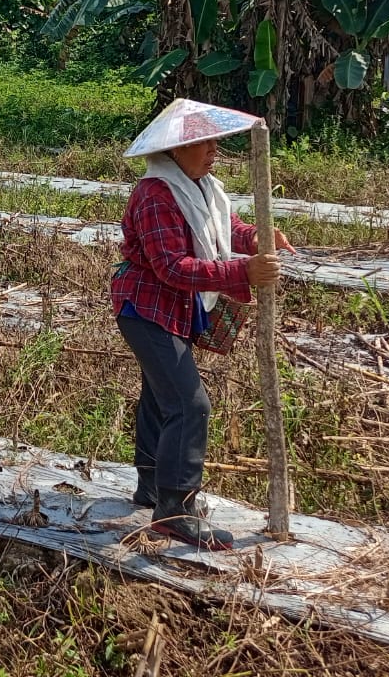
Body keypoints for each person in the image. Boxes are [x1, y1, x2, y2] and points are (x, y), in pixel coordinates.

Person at [111, 98, 294, 551]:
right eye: (203, 143)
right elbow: (172, 266)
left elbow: (227, 229)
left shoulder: (204, 187)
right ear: (175, 150)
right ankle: (175, 510)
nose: (213, 150)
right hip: (146, 308)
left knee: (160, 398)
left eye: (214, 141)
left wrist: (258, 237)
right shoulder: (156, 195)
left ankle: (151, 487)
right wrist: (242, 272)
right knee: (190, 405)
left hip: (174, 308)